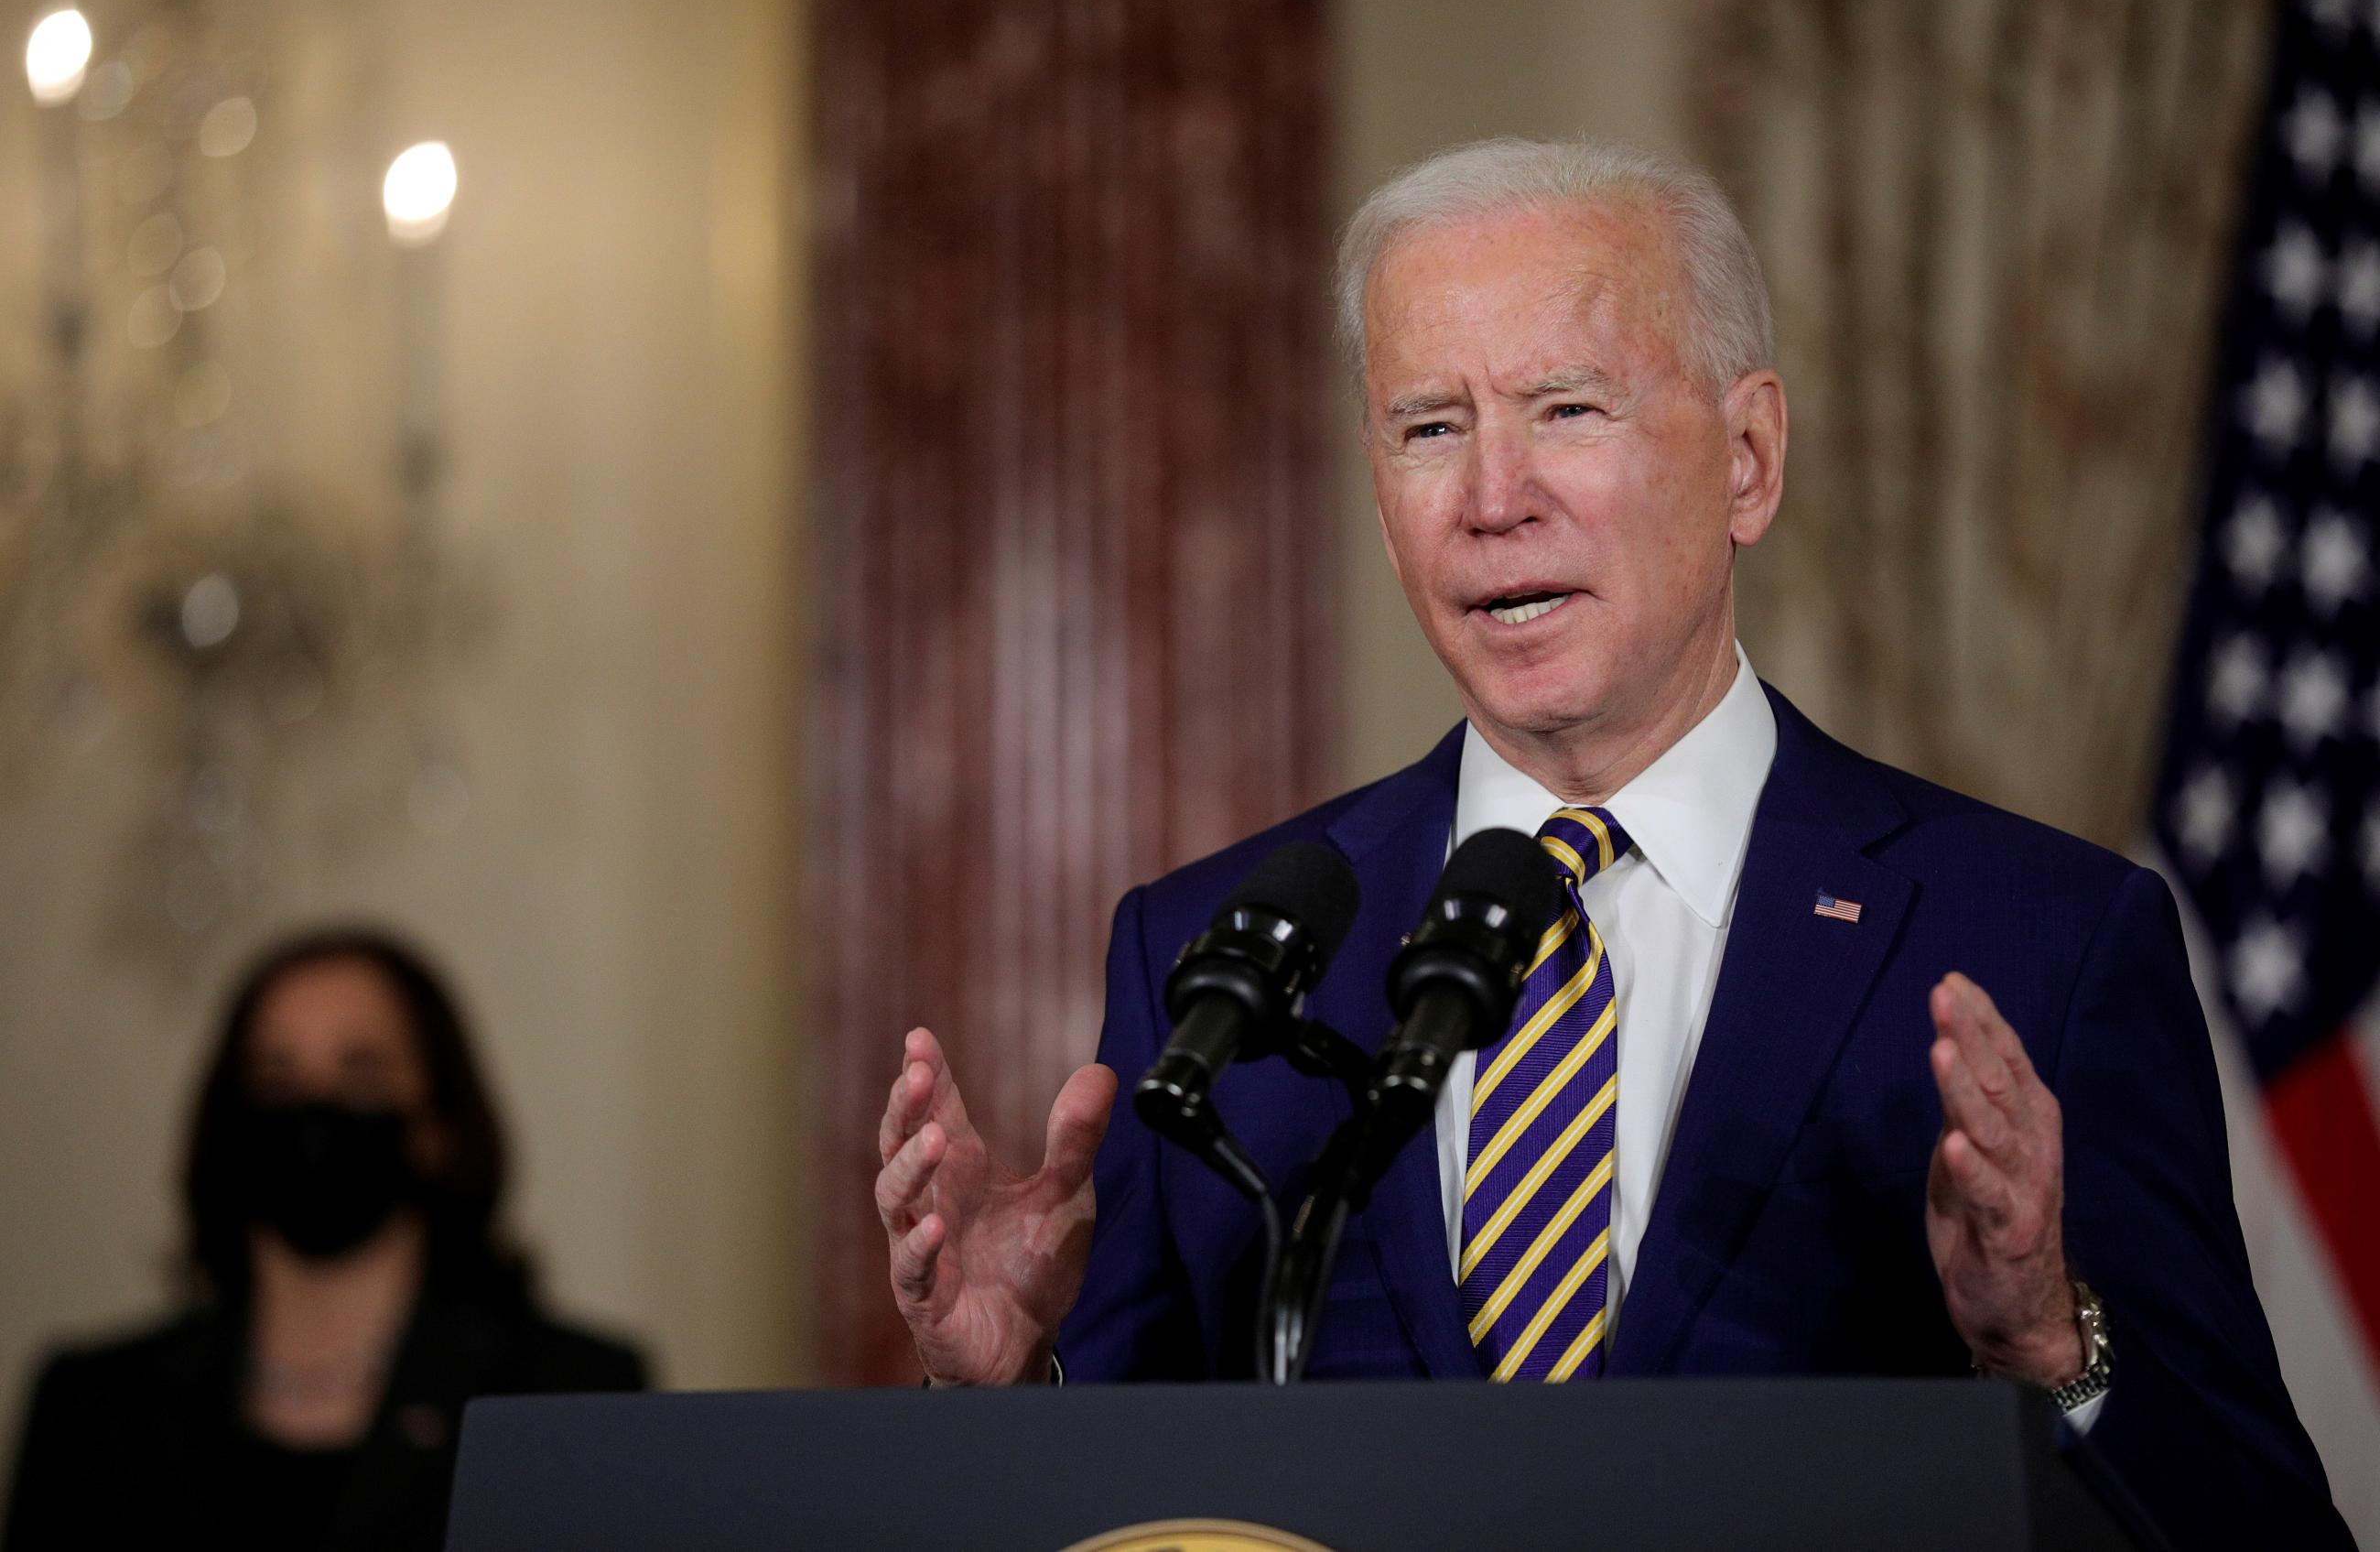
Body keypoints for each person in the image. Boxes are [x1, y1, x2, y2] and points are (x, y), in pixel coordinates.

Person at [871, 138, 2353, 1547]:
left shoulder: (2041, 939)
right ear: (1387, 515)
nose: (1493, 498)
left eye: (1567, 408)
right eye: (1429, 427)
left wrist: (2049, 1343)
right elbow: (1140, 1509)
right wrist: (1007, 1393)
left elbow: (2260, 1529)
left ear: (1751, 461)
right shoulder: (1217, 959)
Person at [3, 928, 645, 1551]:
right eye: (276, 1075)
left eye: (360, 1071)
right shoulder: (94, 1409)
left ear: (438, 1125)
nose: (315, 1103)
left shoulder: (572, 1401)